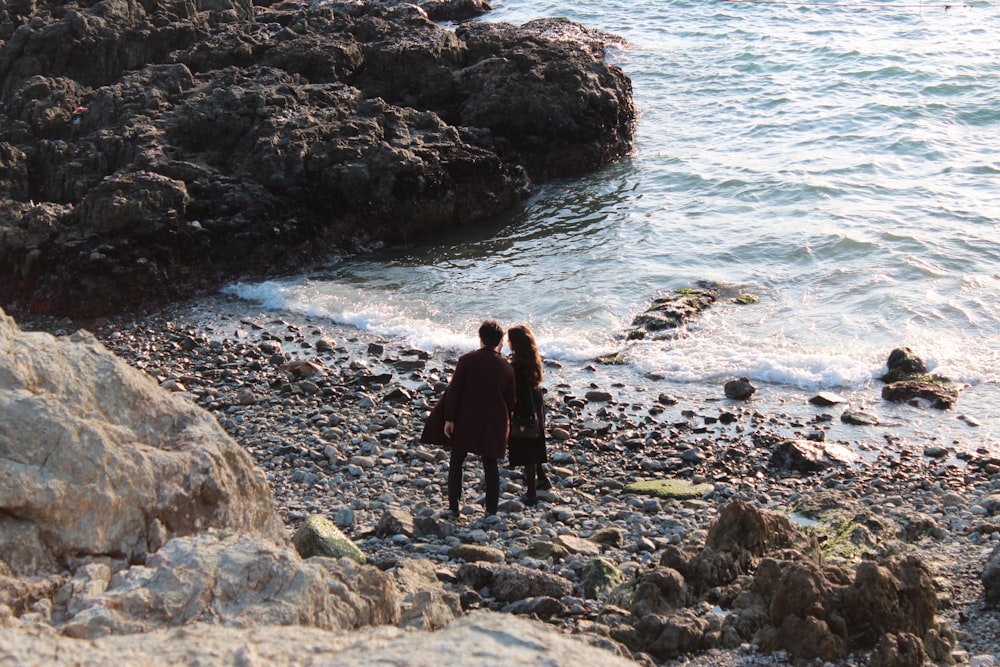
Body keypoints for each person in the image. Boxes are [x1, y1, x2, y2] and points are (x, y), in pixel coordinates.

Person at [420, 320, 515, 518]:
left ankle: (453, 507)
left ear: (480, 338)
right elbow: (511, 400)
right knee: (490, 466)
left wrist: (449, 418)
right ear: (500, 341)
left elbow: (454, 391)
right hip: (493, 421)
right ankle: (491, 510)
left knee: (457, 461)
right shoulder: (506, 367)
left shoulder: (467, 360)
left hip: (466, 418)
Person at [506, 324, 551, 507]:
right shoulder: (533, 358)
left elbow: (515, 388)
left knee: (526, 449)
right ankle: (541, 477)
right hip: (537, 402)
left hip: (524, 405)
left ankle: (531, 493)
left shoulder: (517, 364)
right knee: (536, 440)